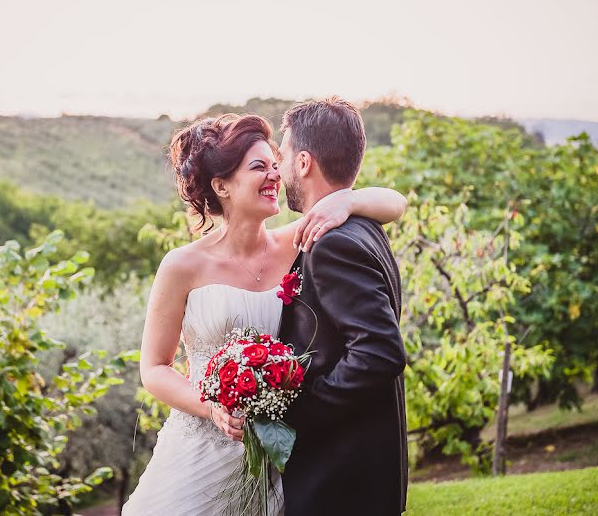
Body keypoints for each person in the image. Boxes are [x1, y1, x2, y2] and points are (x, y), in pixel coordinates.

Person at [121, 111, 407, 515]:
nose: (275, 174)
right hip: (202, 449)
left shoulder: (299, 238)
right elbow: (154, 368)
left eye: (276, 163)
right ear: (221, 186)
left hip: (274, 451)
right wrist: (210, 407)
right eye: (260, 167)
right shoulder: (181, 266)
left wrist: (348, 199)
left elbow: (396, 202)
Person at [277, 97, 408, 515]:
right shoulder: (363, 224)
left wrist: (301, 410)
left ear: (302, 162)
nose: (277, 170)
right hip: (364, 475)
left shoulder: (332, 242)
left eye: (280, 156)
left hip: (341, 478)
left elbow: (380, 352)